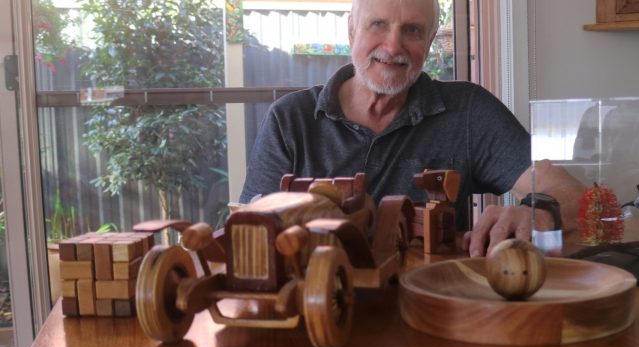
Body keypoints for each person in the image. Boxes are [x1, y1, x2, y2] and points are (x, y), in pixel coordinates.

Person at [239, 0, 584, 257]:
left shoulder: (468, 111)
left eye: (412, 30)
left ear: (431, 40)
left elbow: (573, 195)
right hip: (321, 308)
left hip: (430, 316)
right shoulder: (290, 119)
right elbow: (247, 235)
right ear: (351, 30)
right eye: (377, 25)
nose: (392, 47)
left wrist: (538, 211)